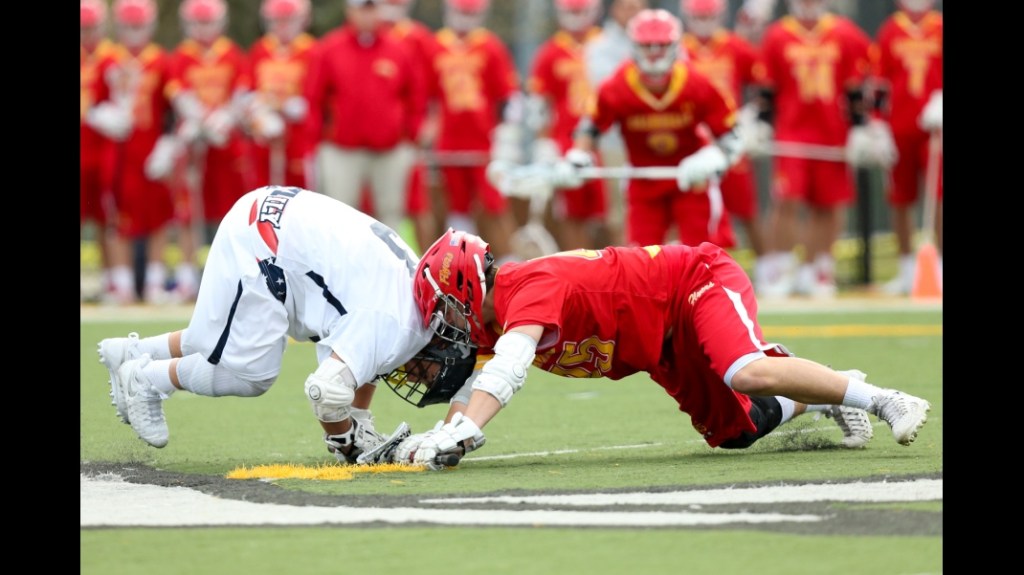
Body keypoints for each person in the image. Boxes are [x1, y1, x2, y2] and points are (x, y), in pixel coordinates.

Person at [386, 228, 932, 468]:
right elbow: (474, 386)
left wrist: (465, 430)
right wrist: (443, 438)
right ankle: (828, 390)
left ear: (466, 287)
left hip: (691, 282)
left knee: (745, 371)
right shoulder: (489, 321)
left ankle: (885, 399)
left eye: (443, 307)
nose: (442, 321)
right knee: (737, 432)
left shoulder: (526, 287)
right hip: (657, 340)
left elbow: (507, 370)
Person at [96, 185, 435, 463]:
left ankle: (132, 351)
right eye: (432, 373)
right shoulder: (398, 324)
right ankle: (146, 379)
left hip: (274, 221)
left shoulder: (416, 289)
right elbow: (326, 392)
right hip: (262, 239)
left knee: (227, 335)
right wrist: (347, 442)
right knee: (253, 373)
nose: (426, 379)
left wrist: (358, 418)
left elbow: (365, 352)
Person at [550, 9, 739, 249]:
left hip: (690, 179)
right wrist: (578, 155)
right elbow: (591, 126)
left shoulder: (696, 84)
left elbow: (731, 135)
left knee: (701, 252)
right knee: (641, 256)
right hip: (643, 180)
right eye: (646, 46)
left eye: (661, 45)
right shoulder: (618, 86)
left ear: (675, 46)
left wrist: (714, 157)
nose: (654, 53)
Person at [753, 0, 884, 298]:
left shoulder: (844, 33)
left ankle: (817, 268)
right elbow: (766, 87)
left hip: (832, 133)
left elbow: (867, 76)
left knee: (828, 205)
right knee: (787, 201)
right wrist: (761, 123)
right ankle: (782, 268)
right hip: (792, 132)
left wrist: (864, 124)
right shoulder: (777, 35)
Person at [302, 0, 424, 236]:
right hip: (341, 149)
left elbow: (416, 95)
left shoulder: (398, 49)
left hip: (389, 149)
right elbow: (314, 98)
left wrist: (411, 135)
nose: (366, 16)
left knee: (390, 214)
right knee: (339, 215)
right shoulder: (330, 48)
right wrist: (316, 141)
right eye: (361, 9)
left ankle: (389, 260)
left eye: (371, 9)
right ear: (349, 11)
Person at [680, 0, 769, 290]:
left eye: (709, 15)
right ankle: (695, 274)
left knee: (745, 206)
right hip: (692, 142)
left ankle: (768, 270)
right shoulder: (680, 49)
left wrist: (755, 117)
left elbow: (763, 79)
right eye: (699, 16)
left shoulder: (734, 46)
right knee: (692, 210)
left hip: (728, 137)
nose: (704, 21)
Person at [427, 0, 521, 263]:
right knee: (456, 206)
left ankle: (509, 261)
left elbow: (508, 96)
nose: (465, 18)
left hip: (483, 142)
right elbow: (426, 95)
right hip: (449, 142)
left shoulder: (490, 46)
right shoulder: (435, 46)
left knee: (494, 203)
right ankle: (460, 261)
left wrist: (507, 134)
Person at [100, 0, 178, 305]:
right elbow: (94, 100)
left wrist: (167, 145)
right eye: (128, 26)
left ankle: (154, 282)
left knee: (158, 217)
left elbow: (173, 107)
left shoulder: (160, 61)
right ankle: (121, 284)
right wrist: (103, 116)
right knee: (116, 217)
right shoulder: (110, 60)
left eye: (139, 26)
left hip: (151, 153)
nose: (134, 32)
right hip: (117, 153)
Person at [522, 0, 609, 252]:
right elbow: (540, 104)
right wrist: (543, 142)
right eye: (571, 11)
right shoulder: (550, 52)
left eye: (581, 11)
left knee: (610, 216)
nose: (576, 16)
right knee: (571, 213)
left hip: (606, 140)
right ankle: (582, 266)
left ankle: (616, 266)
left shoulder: (606, 45)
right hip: (566, 143)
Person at [872, 0, 943, 296]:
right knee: (900, 198)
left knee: (938, 196)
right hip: (898, 128)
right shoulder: (890, 30)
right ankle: (905, 269)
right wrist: (877, 124)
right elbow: (879, 81)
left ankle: (939, 265)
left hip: (934, 129)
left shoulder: (939, 27)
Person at [582, 0, 648, 247]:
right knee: (619, 210)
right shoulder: (599, 45)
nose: (632, 13)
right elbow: (609, 91)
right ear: (614, 9)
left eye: (636, 7)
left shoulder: (665, 36)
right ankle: (625, 262)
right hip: (616, 140)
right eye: (626, 7)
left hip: (656, 137)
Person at [245, 0, 318, 189]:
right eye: (277, 20)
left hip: (299, 134)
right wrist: (259, 111)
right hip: (267, 133)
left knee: (300, 186)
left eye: (288, 20)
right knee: (264, 184)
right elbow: (249, 91)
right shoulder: (260, 49)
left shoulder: (312, 50)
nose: (282, 26)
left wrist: (297, 106)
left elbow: (317, 94)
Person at [80, 0, 119, 303]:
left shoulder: (111, 58)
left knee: (107, 217)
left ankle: (112, 279)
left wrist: (102, 114)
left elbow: (123, 107)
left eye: (91, 28)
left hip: (103, 150)